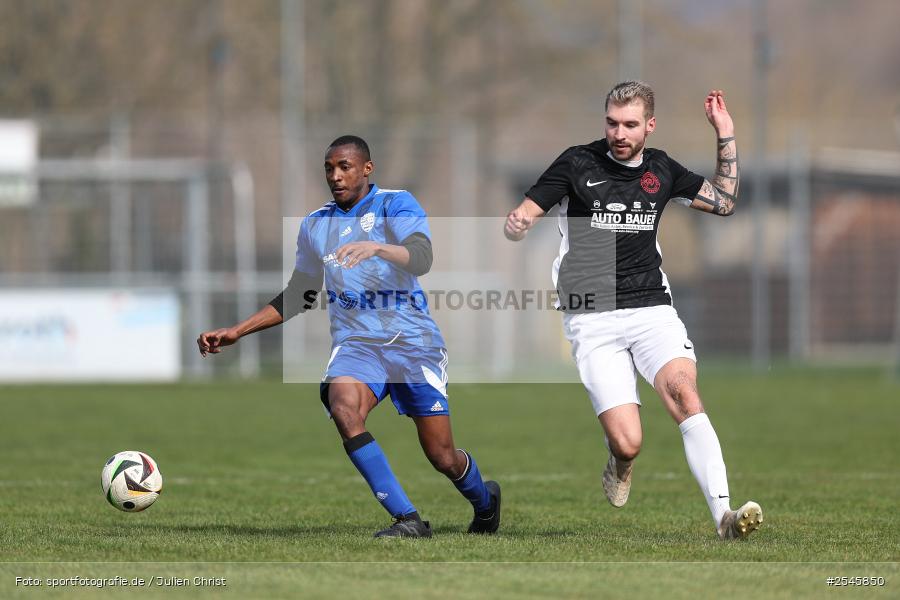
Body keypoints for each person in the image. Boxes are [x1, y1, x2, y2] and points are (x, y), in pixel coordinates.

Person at [198, 135, 500, 538]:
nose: (335, 176)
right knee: (343, 407)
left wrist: (378, 248)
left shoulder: (396, 204)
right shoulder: (315, 225)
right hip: (358, 346)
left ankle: (485, 502)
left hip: (413, 343)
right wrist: (237, 330)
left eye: (345, 167)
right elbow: (300, 293)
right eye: (329, 168)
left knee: (442, 456)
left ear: (367, 169)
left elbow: (422, 257)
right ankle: (408, 519)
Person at [504, 82, 762, 540]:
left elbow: (724, 202)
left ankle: (724, 516)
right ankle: (620, 461)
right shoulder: (577, 163)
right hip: (591, 316)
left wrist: (725, 132)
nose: (619, 133)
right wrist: (518, 223)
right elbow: (526, 212)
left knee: (685, 394)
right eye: (612, 123)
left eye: (629, 124)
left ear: (649, 126)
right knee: (629, 442)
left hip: (650, 308)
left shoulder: (662, 169)